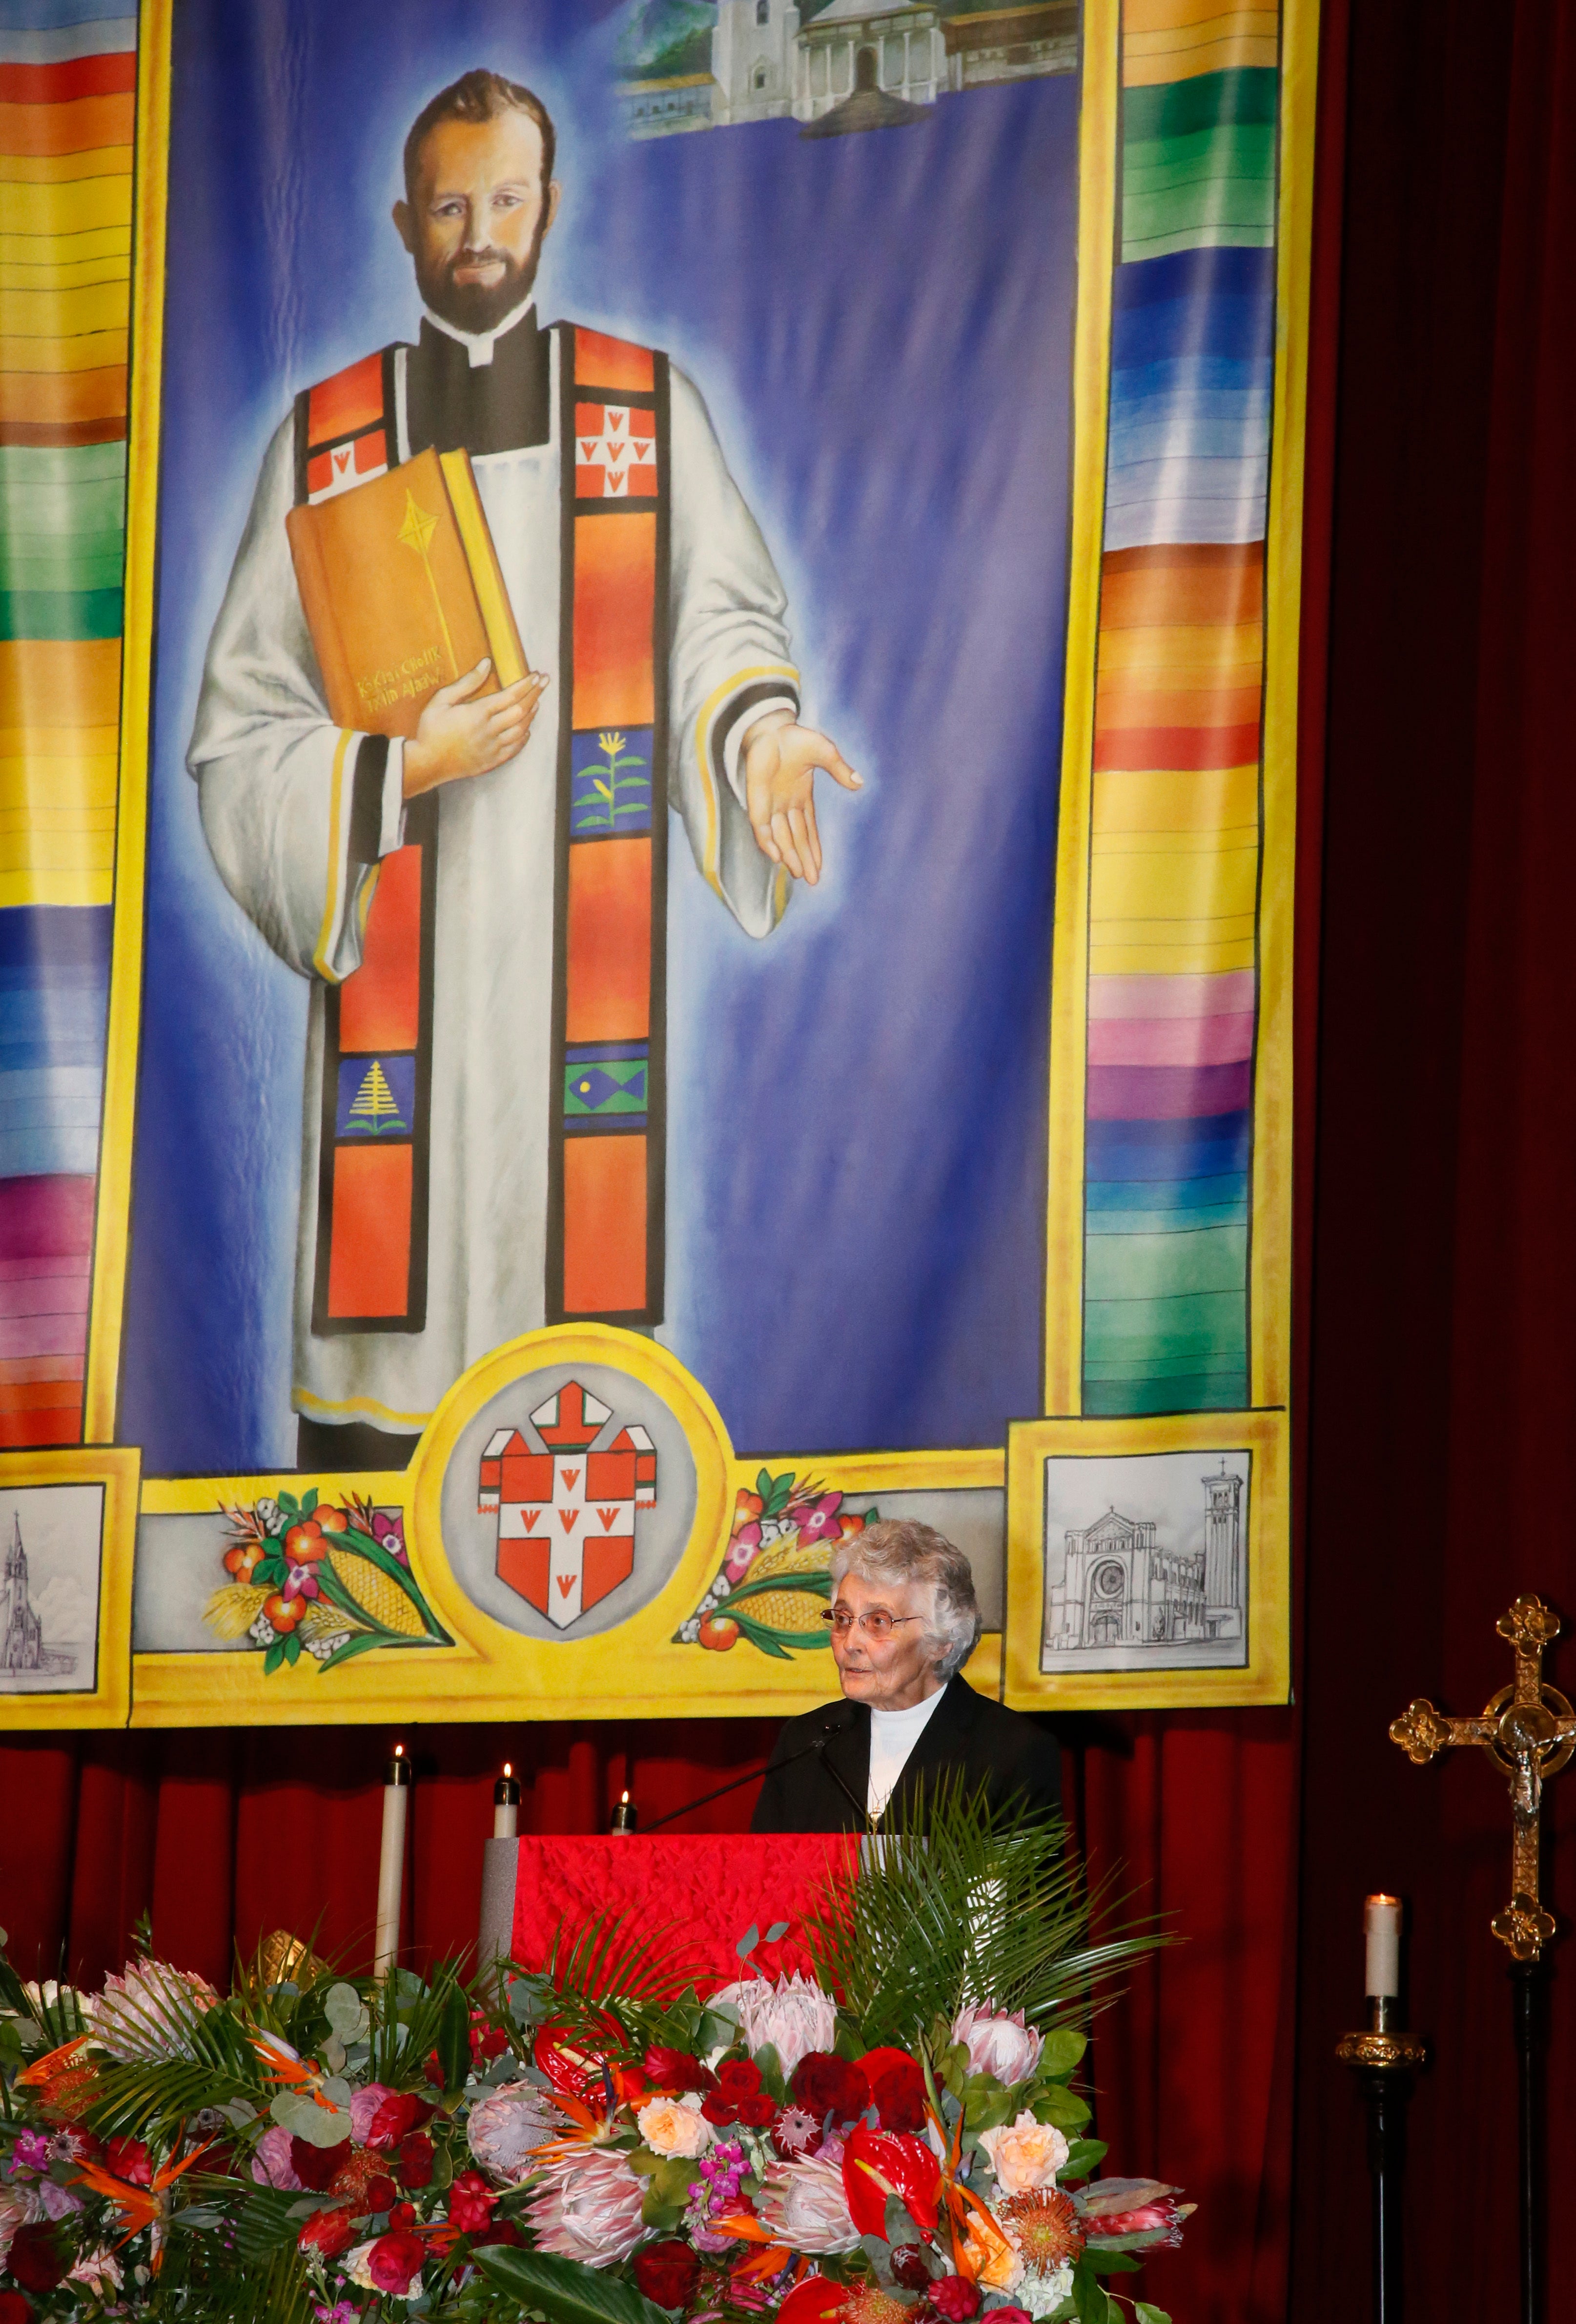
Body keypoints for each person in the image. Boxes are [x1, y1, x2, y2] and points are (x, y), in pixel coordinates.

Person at [190, 68, 859, 1470]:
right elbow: (243, 730)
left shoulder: (645, 412)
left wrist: (758, 735)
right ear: (402, 222)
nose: (479, 235)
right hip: (402, 1016)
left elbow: (721, 627)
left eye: (504, 200)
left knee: (576, 1406)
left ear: (547, 206)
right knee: (386, 1434)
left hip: (575, 984)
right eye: (449, 208)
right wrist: (394, 771)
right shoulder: (324, 444)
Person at [750, 1519, 1062, 1832]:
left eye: (878, 1622)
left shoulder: (1013, 1752)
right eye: (843, 1619)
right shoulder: (804, 1742)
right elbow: (763, 1863)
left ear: (941, 1641)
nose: (850, 1643)